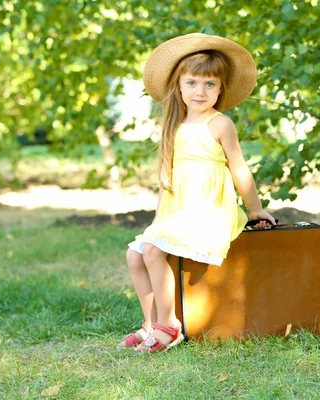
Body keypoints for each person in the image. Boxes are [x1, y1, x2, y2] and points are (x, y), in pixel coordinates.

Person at [119, 33, 276, 353]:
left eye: (209, 84)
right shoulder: (173, 125)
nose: (200, 91)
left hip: (211, 210)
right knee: (136, 253)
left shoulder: (220, 124)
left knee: (152, 251)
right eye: (192, 83)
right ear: (178, 85)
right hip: (179, 210)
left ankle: (169, 325)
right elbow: (167, 180)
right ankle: (150, 323)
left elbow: (239, 169)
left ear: (221, 89)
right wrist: (157, 221)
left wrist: (255, 209)